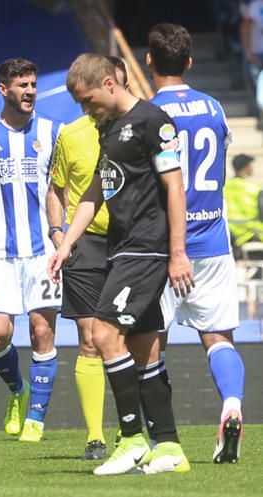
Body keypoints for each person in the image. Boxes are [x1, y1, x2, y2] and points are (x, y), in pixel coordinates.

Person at [50, 53, 194, 475]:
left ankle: (131, 437)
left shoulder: (153, 121)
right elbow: (95, 189)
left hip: (146, 248)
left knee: (102, 331)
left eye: (88, 99)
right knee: (143, 349)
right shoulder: (107, 127)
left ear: (111, 83)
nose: (85, 109)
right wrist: (65, 244)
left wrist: (178, 252)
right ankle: (169, 447)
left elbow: (175, 187)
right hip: (121, 247)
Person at [148, 23, 247, 464]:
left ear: (149, 61)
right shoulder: (214, 107)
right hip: (212, 242)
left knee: (149, 345)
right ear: (189, 62)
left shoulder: (148, 115)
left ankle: (161, 439)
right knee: (219, 339)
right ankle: (231, 405)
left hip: (165, 248)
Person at [0, 58, 62, 443]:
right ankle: (18, 390)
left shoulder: (54, 131)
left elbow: (63, 188)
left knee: (41, 331)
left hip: (42, 251)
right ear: (3, 89)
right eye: (22, 85)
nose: (30, 91)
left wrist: (61, 237)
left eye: (33, 84)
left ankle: (36, 417)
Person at [46, 56, 129, 460]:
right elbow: (55, 189)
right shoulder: (72, 135)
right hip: (87, 244)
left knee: (135, 341)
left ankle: (133, 429)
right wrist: (59, 235)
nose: (89, 109)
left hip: (132, 241)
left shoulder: (136, 129)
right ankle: (96, 437)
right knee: (90, 339)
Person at [224, 153, 263, 250]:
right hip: (253, 235)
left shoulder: (225, 187)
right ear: (247, 167)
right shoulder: (254, 188)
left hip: (230, 236)